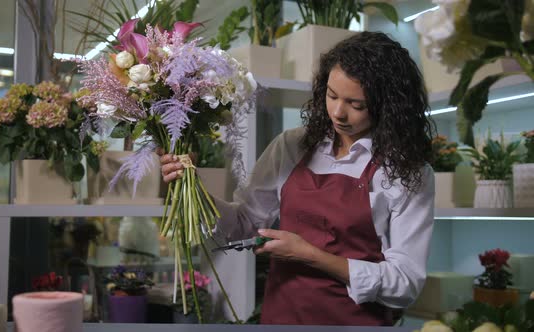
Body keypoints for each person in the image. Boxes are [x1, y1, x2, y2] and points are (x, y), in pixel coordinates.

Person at [158, 31, 436, 326]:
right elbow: (242, 223)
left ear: (388, 106)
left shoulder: (407, 172)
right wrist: (191, 186)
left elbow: (405, 284)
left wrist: (311, 255)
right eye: (331, 95)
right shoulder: (292, 146)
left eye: (356, 105)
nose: (338, 113)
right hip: (283, 317)